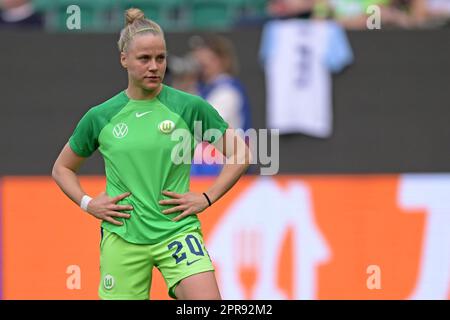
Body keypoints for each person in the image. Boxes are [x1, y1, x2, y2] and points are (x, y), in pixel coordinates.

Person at [52, 8, 251, 300]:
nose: (154, 66)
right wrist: (88, 203)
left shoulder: (188, 107)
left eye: (161, 58)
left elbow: (240, 154)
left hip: (177, 232)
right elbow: (62, 168)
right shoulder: (101, 116)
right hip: (123, 237)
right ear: (124, 59)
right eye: (144, 59)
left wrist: (207, 197)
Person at [189, 34, 253, 176]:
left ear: (221, 61)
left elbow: (203, 124)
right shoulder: (203, 89)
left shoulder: (227, 90)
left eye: (208, 60)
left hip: (225, 163)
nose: (201, 66)